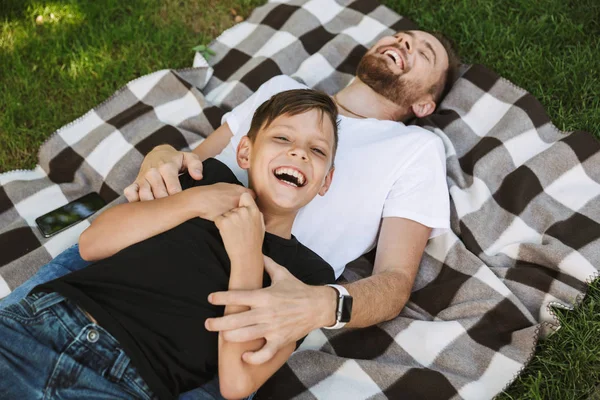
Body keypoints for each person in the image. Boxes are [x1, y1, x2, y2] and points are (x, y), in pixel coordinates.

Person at [1, 29, 461, 389]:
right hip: (157, 249)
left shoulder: (416, 147)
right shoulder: (282, 89)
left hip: (247, 308)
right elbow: (195, 166)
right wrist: (163, 153)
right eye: (402, 36)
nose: (405, 42)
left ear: (425, 103)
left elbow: (396, 282)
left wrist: (322, 303)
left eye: (425, 52)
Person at [0, 89, 339, 400]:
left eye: (317, 150)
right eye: (282, 138)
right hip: (41, 326)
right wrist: (196, 200)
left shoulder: (309, 276)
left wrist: (247, 257)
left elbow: (237, 383)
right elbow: (92, 244)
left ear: (326, 181)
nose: (298, 152)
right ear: (246, 152)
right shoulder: (208, 177)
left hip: (128, 383)